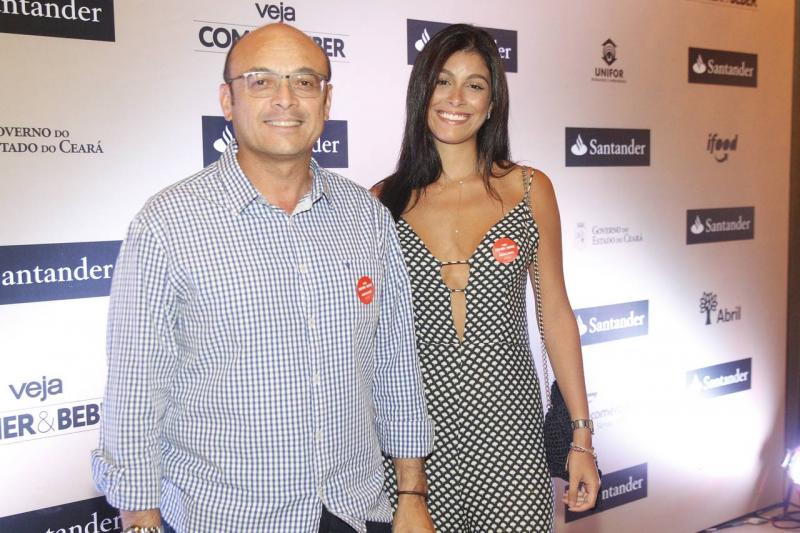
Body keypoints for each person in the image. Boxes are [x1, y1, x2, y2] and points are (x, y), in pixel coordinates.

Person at [91, 23, 435, 533]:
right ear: (227, 100)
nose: (285, 99)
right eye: (261, 81)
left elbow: (395, 362)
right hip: (227, 517)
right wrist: (140, 517)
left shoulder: (365, 216)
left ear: (326, 101)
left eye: (304, 81)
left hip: (352, 508)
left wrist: (411, 493)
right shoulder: (168, 224)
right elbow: (137, 388)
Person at [376, 24, 601, 531]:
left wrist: (581, 438)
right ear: (422, 91)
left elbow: (555, 314)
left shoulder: (529, 189)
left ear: (493, 101)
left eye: (474, 85)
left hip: (509, 432)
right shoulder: (383, 202)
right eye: (443, 81)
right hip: (414, 446)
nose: (456, 98)